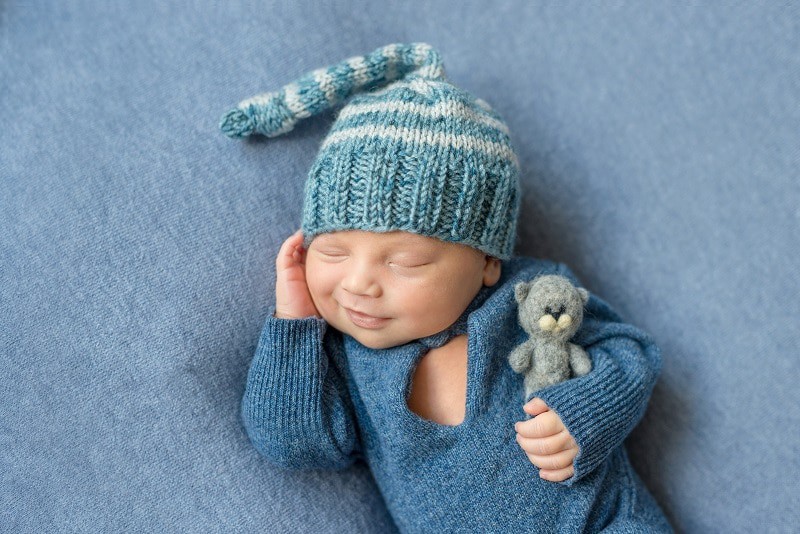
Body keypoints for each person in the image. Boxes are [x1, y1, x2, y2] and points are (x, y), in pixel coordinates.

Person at [220, 42, 672, 532]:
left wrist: (586, 415)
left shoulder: (528, 297)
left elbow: (631, 352)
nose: (358, 284)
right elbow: (291, 443)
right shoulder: (343, 358)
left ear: (487, 263)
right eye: (332, 253)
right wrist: (295, 326)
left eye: (406, 262)